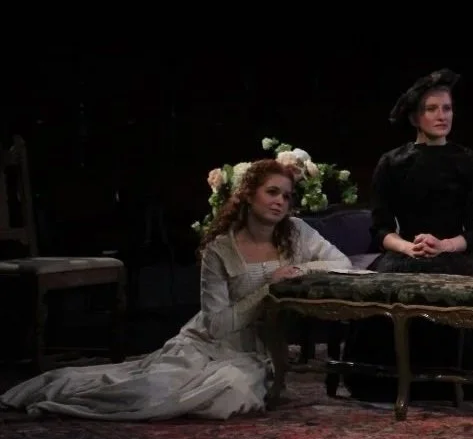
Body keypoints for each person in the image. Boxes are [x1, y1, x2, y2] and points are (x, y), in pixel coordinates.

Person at [0, 159, 352, 420]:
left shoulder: (296, 232)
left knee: (234, 394)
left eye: (287, 197)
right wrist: (268, 289)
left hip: (255, 352)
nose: (280, 202)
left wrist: (295, 271)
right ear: (248, 195)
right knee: (153, 388)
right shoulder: (220, 250)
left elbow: (341, 263)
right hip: (210, 344)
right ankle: (64, 393)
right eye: (272, 192)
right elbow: (216, 325)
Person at [342, 69, 473, 402]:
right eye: (432, 109)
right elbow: (381, 229)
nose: (442, 116)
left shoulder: (468, 161)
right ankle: (389, 378)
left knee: (460, 284)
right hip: (406, 252)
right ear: (415, 117)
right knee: (387, 283)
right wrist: (408, 246)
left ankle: (455, 380)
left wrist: (444, 245)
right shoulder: (392, 163)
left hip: (456, 253)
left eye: (446, 108)